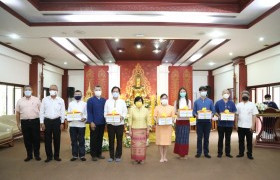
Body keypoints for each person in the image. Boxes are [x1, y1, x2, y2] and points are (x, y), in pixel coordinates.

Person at [40, 84, 65, 163]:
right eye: (51, 89)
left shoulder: (61, 100)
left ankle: (56, 156)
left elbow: (63, 112)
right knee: (47, 140)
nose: (52, 90)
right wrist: (42, 122)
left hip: (57, 121)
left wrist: (62, 122)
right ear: (49, 90)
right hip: (47, 121)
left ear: (57, 91)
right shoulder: (45, 99)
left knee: (57, 139)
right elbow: (41, 112)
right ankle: (49, 156)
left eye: (54, 89)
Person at [15, 85, 41, 162]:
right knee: (27, 139)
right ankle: (29, 155)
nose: (27, 91)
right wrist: (18, 123)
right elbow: (17, 113)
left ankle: (37, 155)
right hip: (24, 122)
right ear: (23, 91)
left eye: (29, 89)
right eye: (26, 90)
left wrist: (42, 122)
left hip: (35, 121)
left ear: (32, 91)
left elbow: (41, 111)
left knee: (36, 139)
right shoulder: (20, 101)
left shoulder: (37, 100)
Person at [104, 86, 127, 162]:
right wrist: (107, 117)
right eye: (114, 91)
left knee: (119, 140)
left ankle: (118, 156)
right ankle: (111, 156)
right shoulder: (108, 101)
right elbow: (105, 112)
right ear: (112, 92)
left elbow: (125, 112)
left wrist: (122, 117)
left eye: (117, 91)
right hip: (110, 124)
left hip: (120, 124)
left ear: (119, 93)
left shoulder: (122, 102)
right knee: (111, 140)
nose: (115, 93)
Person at [193, 86, 215, 158]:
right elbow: (194, 111)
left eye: (204, 90)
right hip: (199, 122)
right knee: (199, 138)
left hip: (207, 122)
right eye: (201, 91)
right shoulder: (196, 101)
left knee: (206, 138)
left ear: (206, 92)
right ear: (199, 92)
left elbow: (213, 110)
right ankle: (199, 152)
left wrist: (211, 115)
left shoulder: (210, 101)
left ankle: (206, 152)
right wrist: (196, 115)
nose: (203, 92)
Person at [236, 90, 258, 160]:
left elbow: (254, 115)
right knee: (241, 140)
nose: (244, 95)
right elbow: (236, 115)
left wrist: (253, 125)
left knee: (249, 141)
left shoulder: (252, 104)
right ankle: (241, 153)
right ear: (241, 96)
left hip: (249, 126)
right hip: (240, 125)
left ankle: (249, 154)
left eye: (246, 94)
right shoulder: (238, 104)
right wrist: (236, 124)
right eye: (243, 94)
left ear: (249, 96)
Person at [215, 89, 237, 158]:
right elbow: (215, 111)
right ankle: (220, 153)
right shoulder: (218, 102)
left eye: (227, 93)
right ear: (222, 94)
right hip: (220, 124)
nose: (226, 94)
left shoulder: (232, 103)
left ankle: (228, 153)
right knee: (220, 139)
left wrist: (231, 114)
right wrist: (219, 116)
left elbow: (234, 111)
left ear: (229, 94)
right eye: (224, 93)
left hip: (229, 124)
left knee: (228, 139)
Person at [87, 85, 106, 161]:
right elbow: (89, 112)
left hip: (102, 123)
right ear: (94, 91)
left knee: (100, 139)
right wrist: (91, 122)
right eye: (96, 90)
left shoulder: (104, 100)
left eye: (99, 90)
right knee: (93, 139)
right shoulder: (90, 100)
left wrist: (106, 122)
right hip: (94, 123)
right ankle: (93, 155)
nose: (98, 91)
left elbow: (106, 112)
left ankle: (99, 153)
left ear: (101, 91)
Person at [154, 94, 175, 163]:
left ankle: (165, 156)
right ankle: (161, 156)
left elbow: (173, 117)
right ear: (160, 99)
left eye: (165, 98)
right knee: (160, 142)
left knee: (166, 142)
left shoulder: (171, 107)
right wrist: (157, 121)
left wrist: (172, 120)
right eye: (163, 98)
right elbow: (154, 116)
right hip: (160, 127)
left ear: (167, 99)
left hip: (167, 127)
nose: (164, 99)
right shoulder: (157, 107)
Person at [128, 96, 149, 164]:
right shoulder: (131, 109)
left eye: (140, 101)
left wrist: (148, 130)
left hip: (143, 130)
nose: (139, 102)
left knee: (142, 145)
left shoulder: (146, 110)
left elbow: (148, 121)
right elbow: (130, 120)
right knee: (135, 145)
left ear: (142, 102)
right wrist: (130, 130)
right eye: (137, 101)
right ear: (135, 102)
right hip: (134, 130)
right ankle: (135, 158)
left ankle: (141, 159)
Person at [68, 90, 87, 161]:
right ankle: (74, 155)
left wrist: (84, 118)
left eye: (79, 94)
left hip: (81, 125)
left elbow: (86, 113)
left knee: (81, 140)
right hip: (72, 124)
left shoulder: (84, 104)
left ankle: (82, 155)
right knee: (73, 140)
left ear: (81, 95)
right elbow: (69, 113)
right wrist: (68, 118)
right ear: (74, 95)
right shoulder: (71, 104)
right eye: (76, 94)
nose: (77, 95)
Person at [173, 87, 192, 159]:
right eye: (181, 91)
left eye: (184, 91)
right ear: (179, 93)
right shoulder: (176, 101)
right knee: (179, 137)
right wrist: (179, 113)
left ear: (186, 93)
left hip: (186, 121)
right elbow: (175, 111)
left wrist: (186, 113)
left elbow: (190, 110)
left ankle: (185, 154)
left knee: (185, 138)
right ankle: (180, 153)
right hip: (179, 121)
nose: (183, 92)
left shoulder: (189, 101)